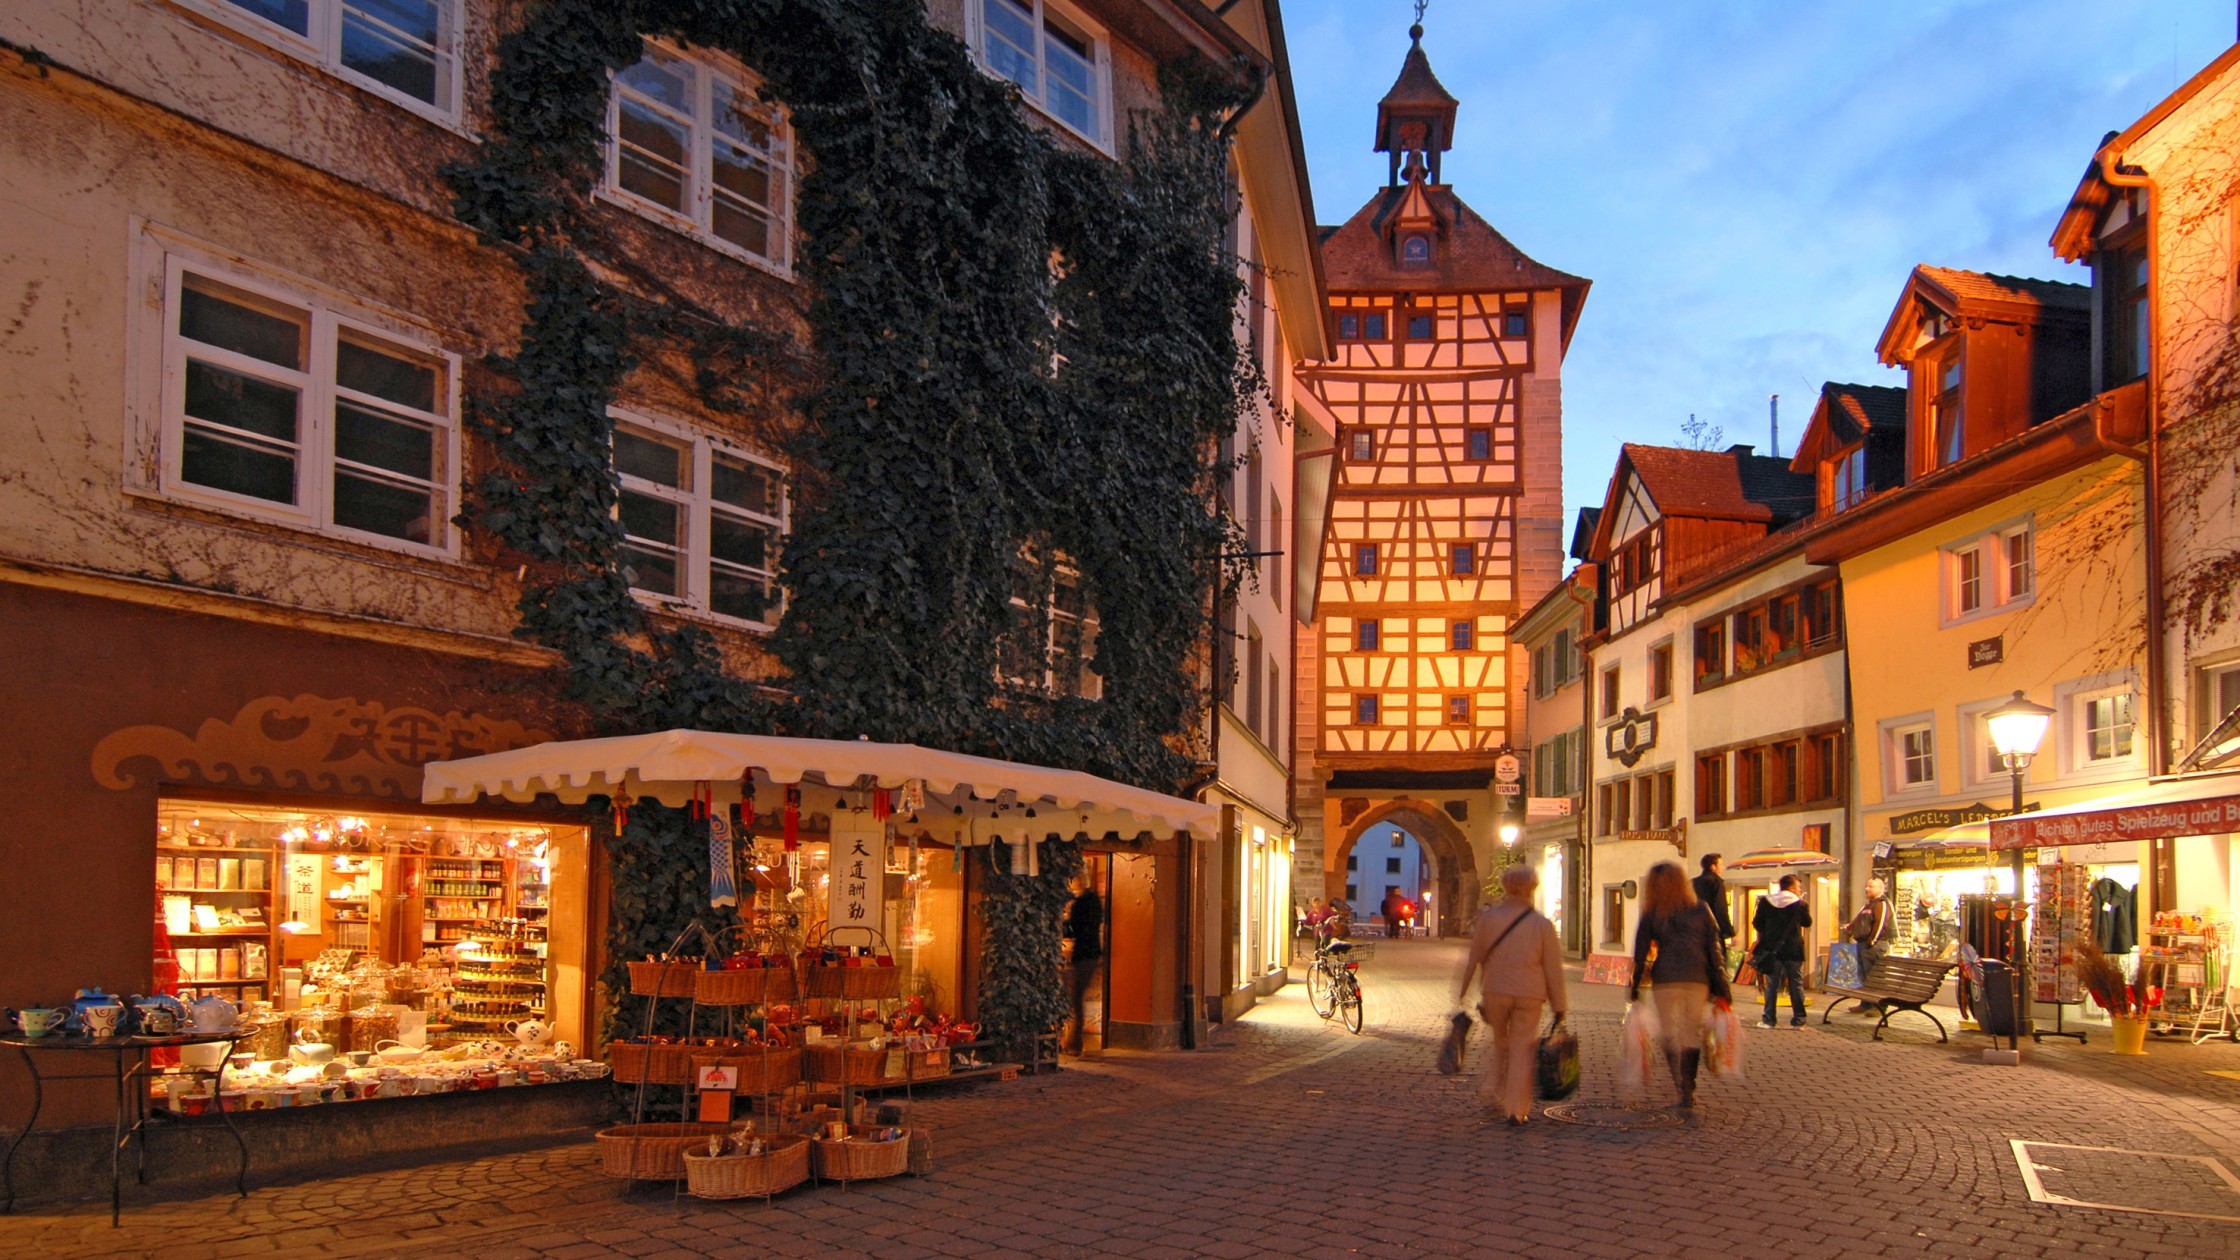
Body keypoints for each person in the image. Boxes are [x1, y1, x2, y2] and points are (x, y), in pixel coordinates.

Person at [1453, 864, 1568, 1126]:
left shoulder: (1489, 919)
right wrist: (1559, 1004)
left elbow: (1474, 957)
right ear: (1532, 888)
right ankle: (1516, 1109)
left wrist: (1462, 992)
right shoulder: (1542, 925)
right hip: (1530, 994)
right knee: (1522, 1048)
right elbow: (1552, 968)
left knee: (1500, 1042)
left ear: (1506, 887)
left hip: (1495, 990)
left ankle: (1494, 1090)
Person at [1627, 860, 1732, 1109]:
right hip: (1697, 978)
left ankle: (1678, 1080)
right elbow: (1714, 950)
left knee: (1668, 1032)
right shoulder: (1701, 909)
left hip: (1665, 979)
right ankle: (1689, 1086)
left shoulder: (1653, 911)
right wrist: (1723, 985)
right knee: (1690, 1032)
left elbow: (1640, 952)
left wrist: (1634, 984)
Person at [1751, 874, 1813, 1029]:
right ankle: (1799, 1020)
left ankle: (1769, 1019)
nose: (1800, 890)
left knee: (1772, 985)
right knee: (1796, 984)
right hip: (1793, 950)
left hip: (1773, 950)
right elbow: (1807, 922)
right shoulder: (1800, 904)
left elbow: (1757, 923)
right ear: (1791, 887)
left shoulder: (1766, 902)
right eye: (1798, 887)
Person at [1061, 873, 1104, 1054]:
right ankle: (1073, 1042)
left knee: (1076, 997)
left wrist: (1066, 918)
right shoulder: (1095, 902)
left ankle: (1073, 1043)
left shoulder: (1082, 903)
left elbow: (1072, 928)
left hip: (1082, 954)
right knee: (1077, 997)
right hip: (1091, 953)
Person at [1848, 877, 1894, 1009]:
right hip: (1863, 943)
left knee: (1875, 976)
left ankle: (1879, 1006)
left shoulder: (1881, 903)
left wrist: (1872, 941)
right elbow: (1860, 920)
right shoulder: (1868, 904)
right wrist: (1851, 927)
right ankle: (1866, 1003)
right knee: (1864, 975)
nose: (1867, 889)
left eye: (1871, 887)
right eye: (1866, 886)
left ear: (1880, 889)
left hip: (1874, 945)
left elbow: (1880, 924)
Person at [1694, 853, 1735, 947]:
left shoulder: (1693, 882)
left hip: (1695, 931)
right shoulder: (1716, 882)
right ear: (1713, 867)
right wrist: (1729, 931)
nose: (1723, 867)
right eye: (1720, 865)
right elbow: (1720, 909)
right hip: (1712, 931)